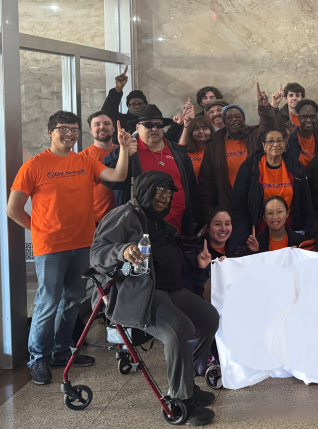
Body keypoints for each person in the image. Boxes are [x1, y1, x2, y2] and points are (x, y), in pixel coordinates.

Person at [7, 111, 133, 385]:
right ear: (50, 132)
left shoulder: (85, 161)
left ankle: (62, 352)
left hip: (83, 244)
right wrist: (39, 229)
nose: (69, 134)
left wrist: (124, 148)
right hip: (50, 247)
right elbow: (13, 209)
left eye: (74, 130)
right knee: (47, 302)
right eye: (63, 129)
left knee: (73, 300)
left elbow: (119, 174)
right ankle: (37, 359)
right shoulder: (34, 166)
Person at [90, 170, 218, 426]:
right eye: (160, 191)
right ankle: (181, 401)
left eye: (169, 193)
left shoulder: (159, 221)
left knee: (208, 318)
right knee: (180, 328)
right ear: (145, 191)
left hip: (167, 287)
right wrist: (123, 250)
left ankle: (188, 383)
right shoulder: (124, 215)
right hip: (136, 292)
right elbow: (97, 253)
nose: (165, 197)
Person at [103, 105, 200, 236]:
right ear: (137, 128)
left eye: (159, 125)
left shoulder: (178, 153)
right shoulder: (127, 150)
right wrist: (123, 153)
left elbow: (192, 188)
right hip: (140, 229)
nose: (155, 128)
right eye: (148, 125)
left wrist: (194, 218)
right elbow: (110, 182)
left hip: (178, 228)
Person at [197, 85, 279, 216]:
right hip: (228, 204)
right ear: (224, 121)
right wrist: (209, 212)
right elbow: (207, 182)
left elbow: (269, 128)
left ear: (243, 118)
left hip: (257, 200)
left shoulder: (254, 135)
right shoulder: (214, 144)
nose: (234, 119)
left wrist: (264, 108)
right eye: (229, 118)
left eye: (237, 116)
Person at [228, 129, 315, 251]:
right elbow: (238, 203)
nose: (275, 144)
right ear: (263, 145)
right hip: (257, 233)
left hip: (289, 232)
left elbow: (306, 201)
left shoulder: (295, 166)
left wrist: (310, 231)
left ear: (285, 145)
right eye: (270, 141)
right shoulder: (251, 166)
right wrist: (243, 233)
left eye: (279, 141)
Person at [81, 111, 119, 225]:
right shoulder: (81, 158)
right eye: (97, 124)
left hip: (121, 217)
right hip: (93, 219)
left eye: (107, 123)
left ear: (113, 128)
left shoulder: (125, 152)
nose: (102, 127)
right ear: (91, 130)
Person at [100, 65, 146, 143]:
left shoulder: (151, 122)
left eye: (140, 103)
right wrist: (118, 88)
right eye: (133, 104)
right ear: (128, 106)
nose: (137, 106)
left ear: (146, 105)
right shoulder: (120, 121)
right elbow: (106, 113)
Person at [285, 100, 318, 169]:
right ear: (298, 118)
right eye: (304, 117)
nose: (308, 120)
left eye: (312, 116)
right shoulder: (289, 139)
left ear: (316, 119)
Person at [182, 116, 214, 181]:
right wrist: (185, 126)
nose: (201, 132)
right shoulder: (185, 152)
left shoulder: (218, 150)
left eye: (205, 128)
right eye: (196, 129)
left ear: (211, 131)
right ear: (191, 132)